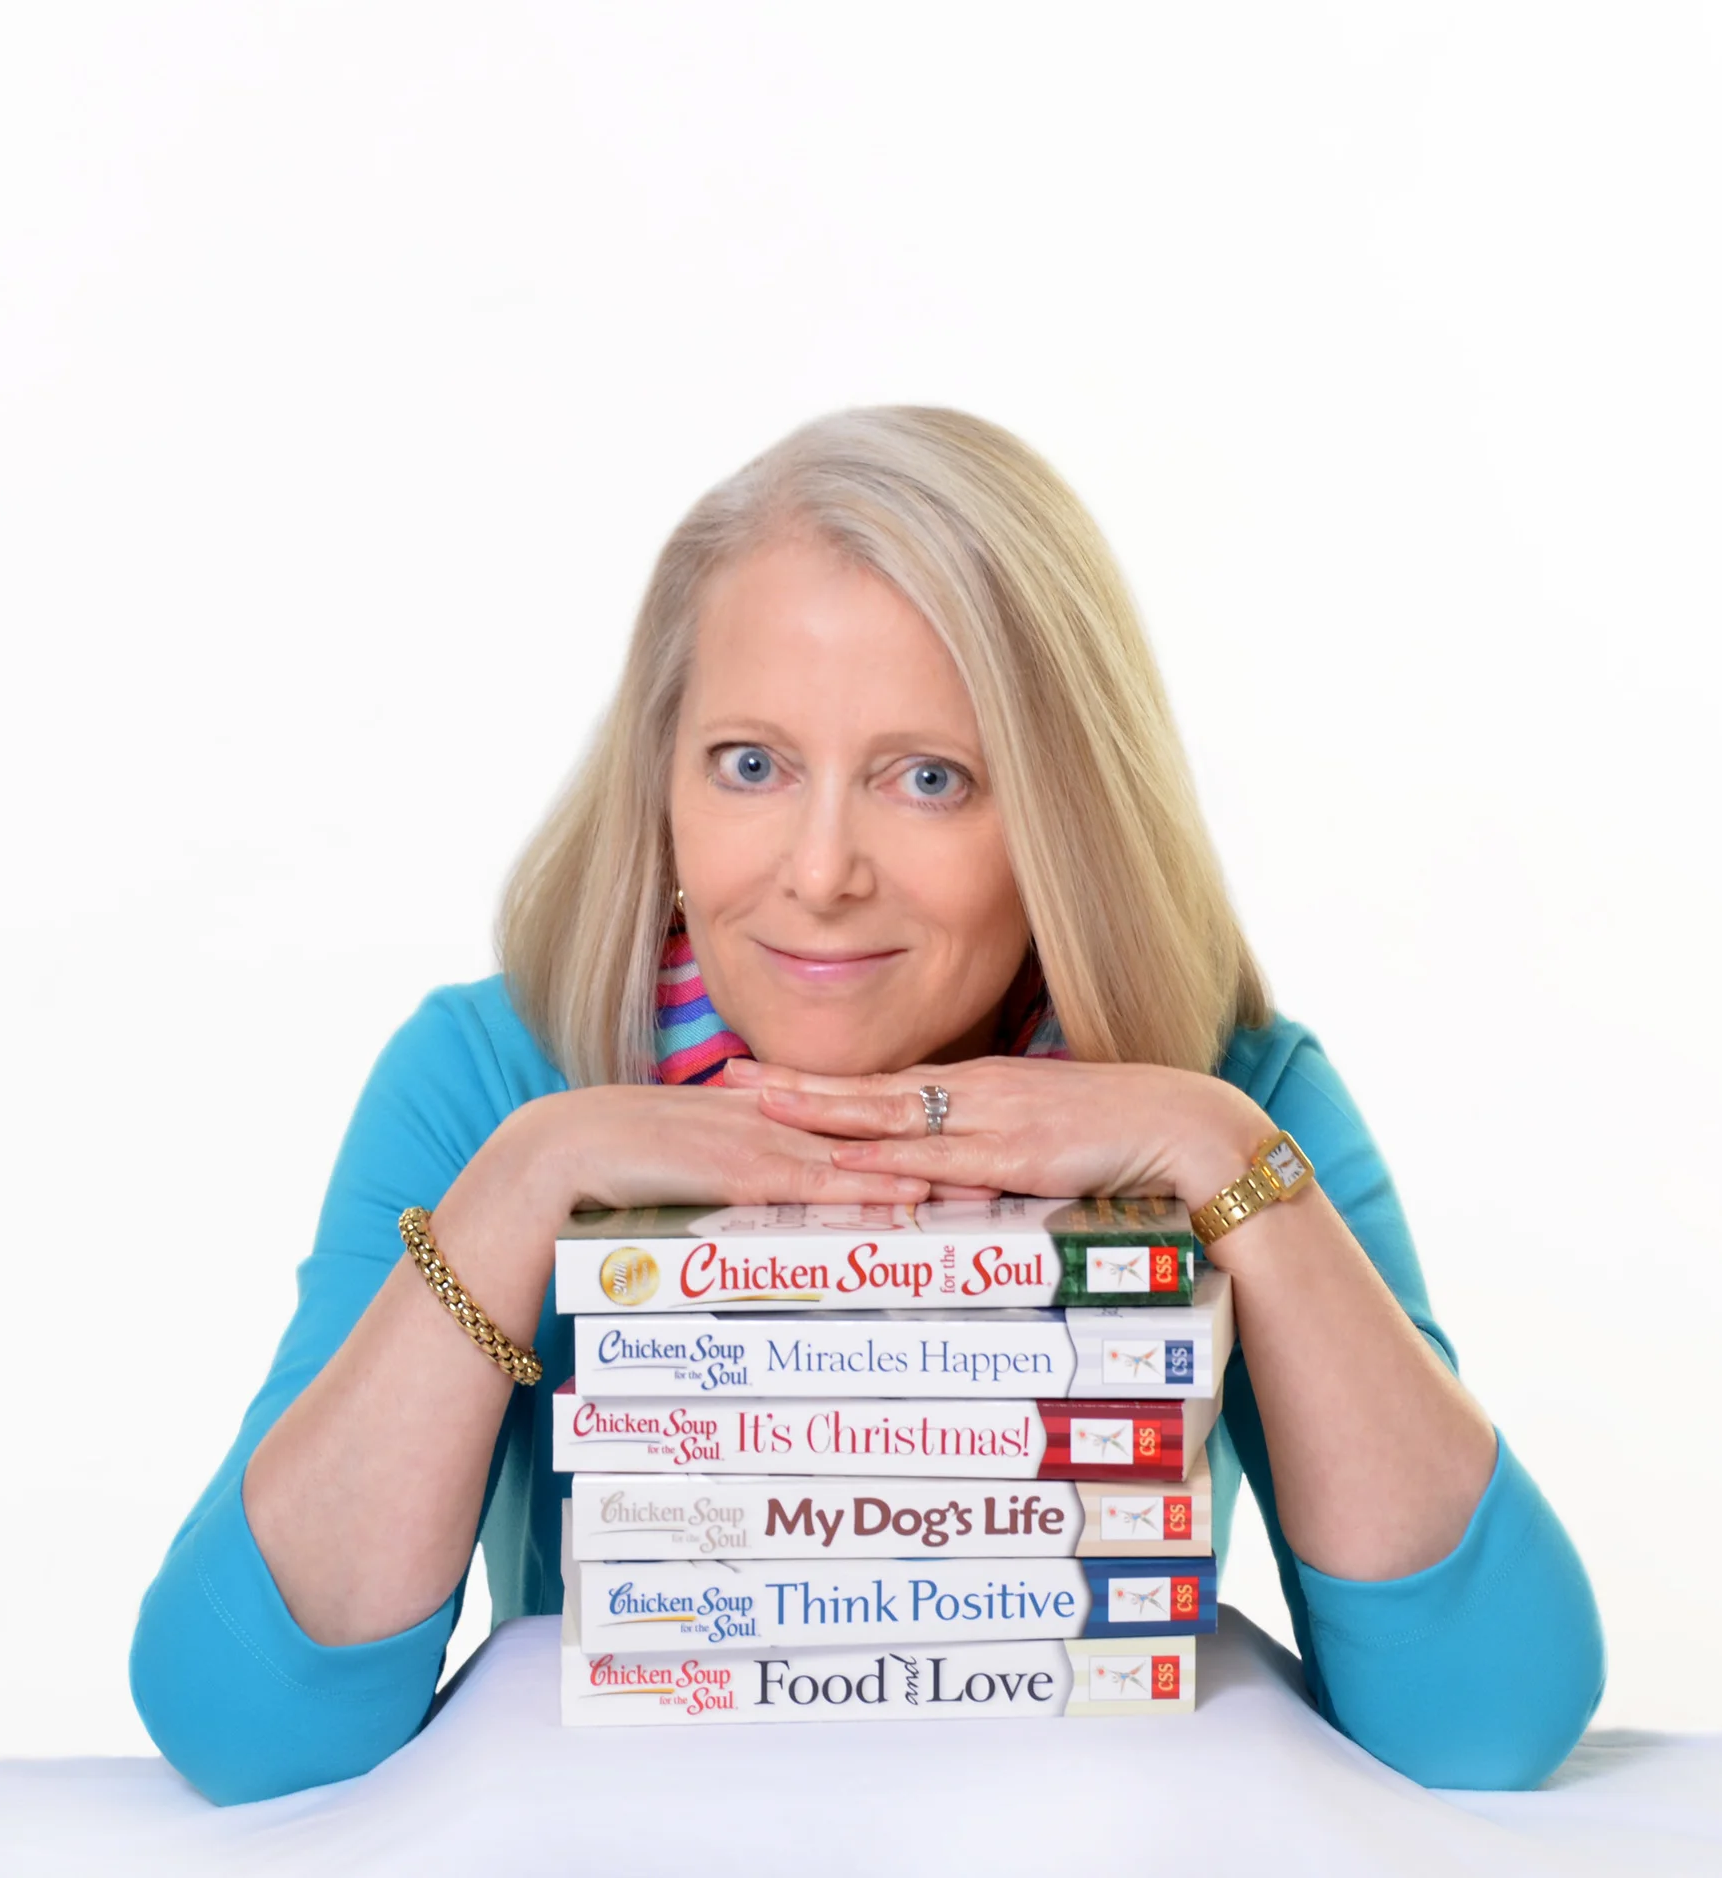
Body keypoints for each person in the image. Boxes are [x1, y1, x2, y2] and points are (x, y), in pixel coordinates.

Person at [128, 407, 1605, 1804]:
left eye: (929, 778)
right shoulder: (499, 1079)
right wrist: (529, 1184)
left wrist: (1222, 1155)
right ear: (663, 780)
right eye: (752, 764)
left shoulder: (1231, 1101)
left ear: (1061, 814)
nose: (822, 870)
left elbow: (1481, 1722)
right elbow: (247, 1731)